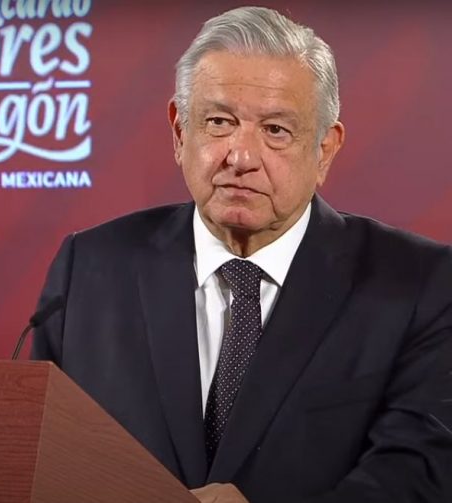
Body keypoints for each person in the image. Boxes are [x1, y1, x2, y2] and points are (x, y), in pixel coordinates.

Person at [31, 6, 452, 503]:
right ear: (179, 131)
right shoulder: (90, 269)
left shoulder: (420, 285)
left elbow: (419, 475)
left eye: (275, 130)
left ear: (324, 150)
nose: (241, 157)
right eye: (218, 122)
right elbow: (41, 457)